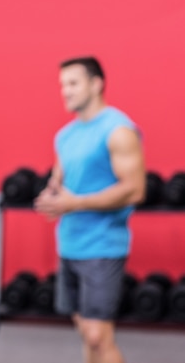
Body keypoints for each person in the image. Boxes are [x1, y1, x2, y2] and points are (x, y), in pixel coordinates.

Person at [34, 56, 145, 363]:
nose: (65, 91)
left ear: (97, 84)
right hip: (69, 243)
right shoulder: (65, 135)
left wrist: (76, 202)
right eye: (62, 85)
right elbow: (60, 181)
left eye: (73, 83)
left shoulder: (118, 130)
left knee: (98, 334)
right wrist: (51, 196)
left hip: (103, 245)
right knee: (87, 334)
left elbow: (135, 189)